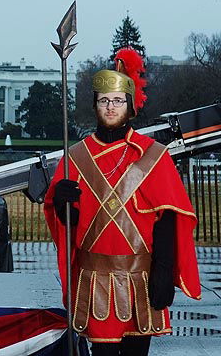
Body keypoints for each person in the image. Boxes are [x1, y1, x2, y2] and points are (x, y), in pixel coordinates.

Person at [44, 47, 201, 356]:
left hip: (140, 281)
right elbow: (71, 227)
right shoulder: (75, 157)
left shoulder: (153, 156)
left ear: (130, 106)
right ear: (95, 106)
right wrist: (62, 207)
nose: (111, 107)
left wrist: (164, 271)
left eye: (117, 101)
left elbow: (168, 218)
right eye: (104, 101)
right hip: (94, 281)